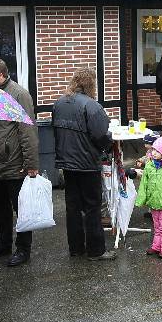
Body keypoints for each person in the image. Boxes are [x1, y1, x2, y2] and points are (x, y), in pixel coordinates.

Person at [0, 57, 39, 267]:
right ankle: (3, 244)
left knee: (21, 209)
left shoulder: (19, 95)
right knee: (0, 208)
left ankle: (23, 249)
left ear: (0, 75)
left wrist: (31, 164)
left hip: (14, 164)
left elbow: (27, 130)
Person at [52, 68, 115, 260]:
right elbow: (101, 135)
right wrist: (108, 145)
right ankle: (96, 250)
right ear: (91, 84)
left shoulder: (59, 103)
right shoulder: (91, 105)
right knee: (92, 207)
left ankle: (76, 247)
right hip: (87, 163)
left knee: (73, 207)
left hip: (67, 163)